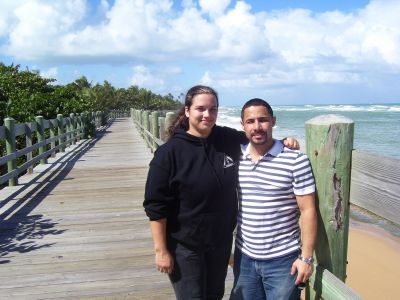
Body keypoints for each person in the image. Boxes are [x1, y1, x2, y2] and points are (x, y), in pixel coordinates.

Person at [143, 86, 299, 300]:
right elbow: (156, 206)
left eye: (213, 109)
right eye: (201, 109)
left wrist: (284, 142)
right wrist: (161, 251)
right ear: (187, 111)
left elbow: (257, 135)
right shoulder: (168, 154)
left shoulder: (226, 139)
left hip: (220, 243)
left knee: (215, 295)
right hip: (185, 247)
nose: (207, 115)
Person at [230, 98, 317, 300]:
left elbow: (308, 210)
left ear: (273, 121)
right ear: (242, 125)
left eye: (263, 120)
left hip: (283, 260)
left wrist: (306, 258)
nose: (257, 127)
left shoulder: (295, 160)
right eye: (250, 121)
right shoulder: (236, 157)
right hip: (244, 257)